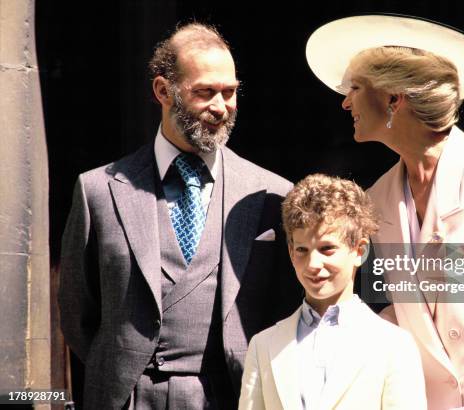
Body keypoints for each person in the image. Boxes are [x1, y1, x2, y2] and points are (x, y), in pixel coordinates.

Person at [306, 15, 464, 410]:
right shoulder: (378, 197)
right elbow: (412, 318)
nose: (345, 102)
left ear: (395, 99)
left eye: (355, 88)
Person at [58, 22, 301, 409]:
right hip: (127, 399)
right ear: (162, 91)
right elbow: (77, 313)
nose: (220, 107)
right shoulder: (98, 191)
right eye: (204, 92)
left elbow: (286, 305)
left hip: (234, 396)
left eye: (230, 92)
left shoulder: (272, 194)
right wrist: (123, 368)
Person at [238, 174, 427, 410]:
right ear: (290, 252)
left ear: (359, 251)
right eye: (302, 250)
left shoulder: (394, 345)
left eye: (327, 249)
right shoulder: (263, 345)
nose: (312, 264)